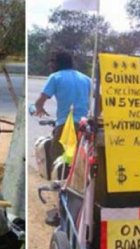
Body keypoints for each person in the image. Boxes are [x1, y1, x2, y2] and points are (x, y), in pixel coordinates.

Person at [34, 49, 91, 225]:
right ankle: (80, 207)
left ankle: (59, 210)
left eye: (52, 62)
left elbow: (40, 100)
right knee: (81, 167)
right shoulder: (86, 78)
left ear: (56, 63)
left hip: (65, 128)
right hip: (85, 127)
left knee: (58, 166)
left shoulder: (55, 77)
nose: (51, 65)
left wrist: (40, 108)